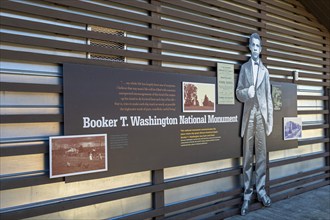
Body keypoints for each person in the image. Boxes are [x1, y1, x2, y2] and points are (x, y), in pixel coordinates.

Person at [236, 33, 273, 216]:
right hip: (249, 116)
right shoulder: (244, 69)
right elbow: (238, 92)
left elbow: (269, 98)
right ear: (250, 47)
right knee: (247, 158)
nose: (256, 48)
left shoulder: (265, 71)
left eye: (259, 45)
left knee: (261, 157)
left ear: (261, 48)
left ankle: (262, 191)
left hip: (261, 118)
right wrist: (246, 92)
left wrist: (270, 122)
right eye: (254, 45)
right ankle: (247, 195)